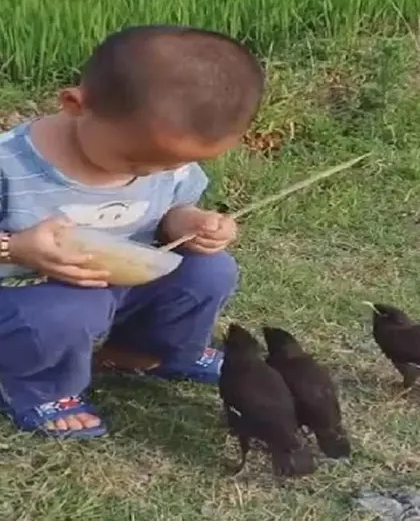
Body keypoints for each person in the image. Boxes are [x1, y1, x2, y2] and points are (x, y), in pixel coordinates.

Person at [0, 25, 265, 438]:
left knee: (212, 270)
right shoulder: (10, 165)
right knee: (68, 311)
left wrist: (189, 223)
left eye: (169, 166)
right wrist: (15, 248)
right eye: (137, 163)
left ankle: (151, 352)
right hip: (26, 298)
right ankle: (36, 388)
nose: (150, 174)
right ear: (75, 104)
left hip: (119, 281)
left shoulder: (162, 158)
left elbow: (171, 210)